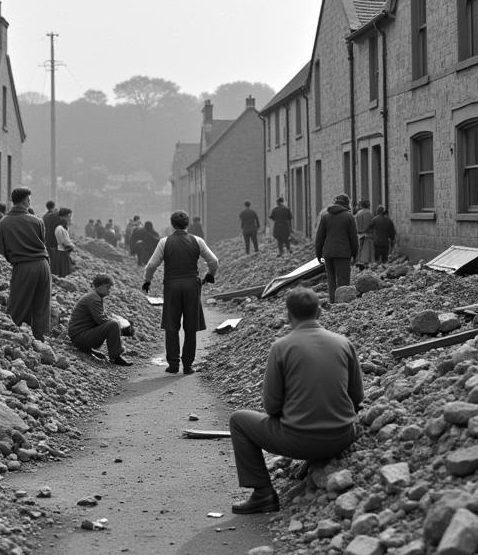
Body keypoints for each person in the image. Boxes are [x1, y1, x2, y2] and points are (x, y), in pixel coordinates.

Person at [228, 287, 363, 514]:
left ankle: (263, 494)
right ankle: (317, 458)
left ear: (288, 315)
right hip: (342, 437)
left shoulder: (281, 347)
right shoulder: (343, 343)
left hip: (299, 441)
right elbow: (357, 397)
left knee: (238, 420)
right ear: (319, 312)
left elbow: (271, 406)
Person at [142, 210, 219, 374]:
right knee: (190, 326)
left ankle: (173, 364)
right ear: (187, 224)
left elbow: (151, 265)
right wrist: (210, 275)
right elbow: (213, 261)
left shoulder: (164, 242)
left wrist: (147, 280)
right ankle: (188, 365)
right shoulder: (197, 241)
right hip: (192, 285)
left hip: (172, 286)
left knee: (171, 325)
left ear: (172, 224)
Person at [0, 187, 52, 340]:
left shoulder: (3, 223)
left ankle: (11, 332)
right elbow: (43, 242)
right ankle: (39, 337)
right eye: (29, 199)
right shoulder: (37, 221)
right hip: (42, 264)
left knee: (18, 301)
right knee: (41, 302)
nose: (30, 202)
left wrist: (13, 254)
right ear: (25, 201)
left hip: (23, 266)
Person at [67, 274, 134, 365]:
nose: (109, 290)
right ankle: (115, 357)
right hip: (80, 337)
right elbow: (101, 320)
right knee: (113, 324)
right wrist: (120, 326)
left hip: (79, 336)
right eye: (107, 287)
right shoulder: (94, 299)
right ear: (100, 285)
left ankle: (88, 350)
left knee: (113, 323)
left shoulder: (94, 297)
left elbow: (100, 319)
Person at [315, 193, 358, 299]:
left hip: (328, 253)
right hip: (343, 253)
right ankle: (342, 304)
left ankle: (332, 301)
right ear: (347, 204)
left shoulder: (325, 216)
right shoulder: (348, 217)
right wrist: (355, 254)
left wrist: (318, 254)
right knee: (343, 280)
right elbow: (353, 238)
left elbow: (319, 237)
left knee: (331, 280)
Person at [53, 208, 76, 277]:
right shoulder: (60, 228)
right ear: (63, 217)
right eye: (69, 216)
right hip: (62, 253)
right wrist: (73, 245)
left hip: (63, 252)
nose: (70, 218)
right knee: (64, 273)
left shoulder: (62, 228)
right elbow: (66, 243)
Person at [354, 199, 375, 270]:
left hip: (359, 234)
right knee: (366, 251)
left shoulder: (358, 214)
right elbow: (370, 224)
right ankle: (364, 265)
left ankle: (359, 262)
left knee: (360, 249)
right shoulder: (368, 213)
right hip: (367, 234)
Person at [43, 201, 60, 271]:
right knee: (55, 257)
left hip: (46, 239)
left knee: (49, 256)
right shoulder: (54, 216)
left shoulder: (44, 216)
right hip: (54, 239)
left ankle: (50, 271)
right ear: (54, 206)